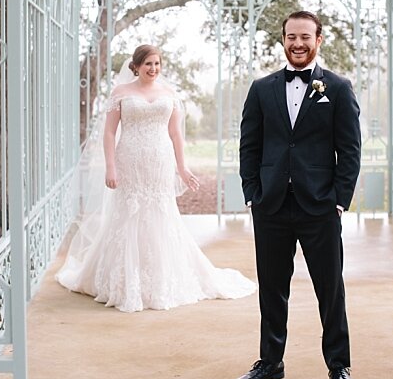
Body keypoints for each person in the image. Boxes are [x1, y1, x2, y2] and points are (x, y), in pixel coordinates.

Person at [57, 45, 256, 312]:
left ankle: (161, 280)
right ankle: (125, 281)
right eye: (148, 64)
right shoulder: (121, 93)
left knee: (161, 213)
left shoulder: (169, 94)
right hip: (129, 162)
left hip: (159, 164)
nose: (153, 69)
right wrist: (110, 167)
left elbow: (176, 134)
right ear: (136, 66)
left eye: (157, 64)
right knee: (128, 213)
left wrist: (182, 169)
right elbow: (108, 133)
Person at [234, 10, 362, 379]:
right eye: (291, 37)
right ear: (283, 40)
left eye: (305, 37)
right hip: (271, 206)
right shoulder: (261, 89)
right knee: (272, 288)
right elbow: (249, 146)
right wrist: (253, 194)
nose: (298, 44)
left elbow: (350, 150)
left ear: (319, 40)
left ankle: (339, 366)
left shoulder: (337, 88)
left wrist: (338, 202)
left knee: (330, 289)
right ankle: (270, 362)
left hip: (319, 207)